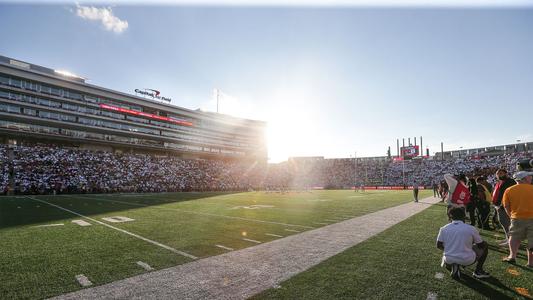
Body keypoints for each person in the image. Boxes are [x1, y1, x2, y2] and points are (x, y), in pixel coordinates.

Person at [437, 207, 490, 279]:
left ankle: (454, 265)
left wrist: (452, 249)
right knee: (485, 245)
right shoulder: (471, 228)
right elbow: (481, 245)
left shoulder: (443, 228)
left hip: (449, 259)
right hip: (466, 259)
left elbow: (438, 245)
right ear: (464, 216)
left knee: (452, 255)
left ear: (450, 216)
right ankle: (478, 271)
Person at [501, 171, 533, 267]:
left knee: (514, 238)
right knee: (532, 241)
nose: (531, 178)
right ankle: (531, 262)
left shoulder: (509, 190)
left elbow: (506, 206)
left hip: (516, 218)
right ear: (524, 179)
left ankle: (512, 256)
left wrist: (511, 215)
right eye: (529, 177)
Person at [492, 169, 516, 246]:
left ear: (506, 173)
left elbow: (509, 195)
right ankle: (508, 238)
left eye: (501, 173)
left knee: (507, 223)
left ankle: (510, 240)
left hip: (506, 206)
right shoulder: (500, 182)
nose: (499, 175)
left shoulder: (510, 182)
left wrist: (502, 206)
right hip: (499, 206)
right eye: (497, 174)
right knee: (504, 223)